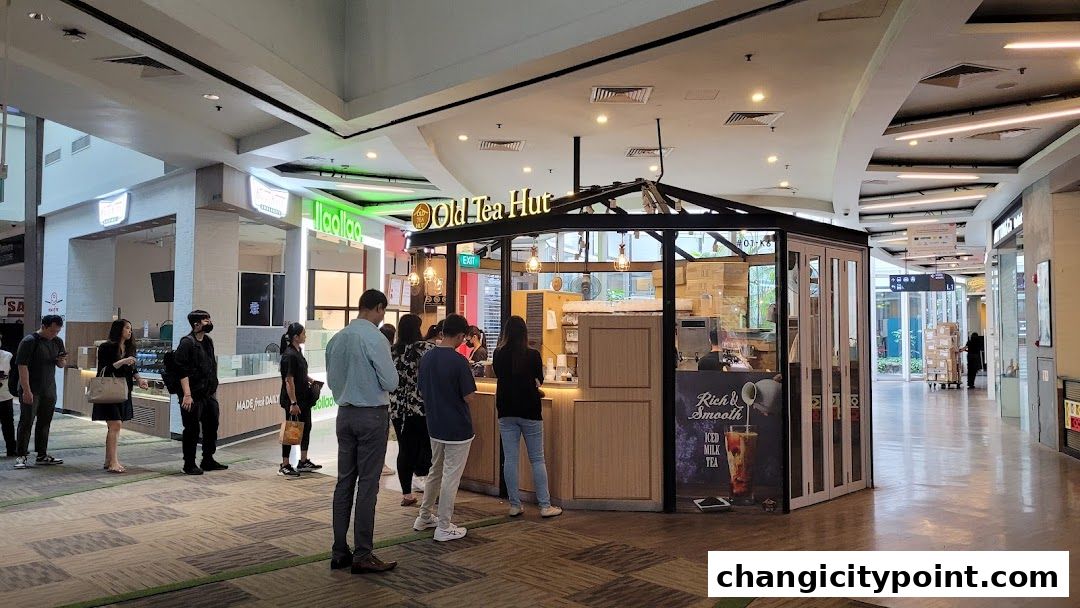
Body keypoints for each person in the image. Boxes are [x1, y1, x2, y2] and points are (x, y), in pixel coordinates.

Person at [326, 289, 399, 574]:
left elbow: (332, 383)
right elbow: (391, 381)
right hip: (371, 415)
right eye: (383, 311)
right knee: (368, 484)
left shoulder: (337, 339)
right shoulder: (374, 338)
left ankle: (339, 549)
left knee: (344, 482)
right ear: (378, 308)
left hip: (344, 415)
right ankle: (363, 553)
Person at [493, 316, 563, 518]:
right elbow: (539, 381)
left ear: (506, 332)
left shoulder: (498, 354)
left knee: (511, 460)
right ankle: (545, 505)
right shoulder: (533, 355)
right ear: (524, 333)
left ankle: (514, 505)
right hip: (530, 410)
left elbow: (499, 375)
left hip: (506, 410)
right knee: (537, 459)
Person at [415, 313, 476, 542]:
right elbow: (469, 396)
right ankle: (444, 525)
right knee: (451, 476)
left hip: (435, 424)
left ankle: (424, 516)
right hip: (457, 427)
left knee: (435, 471)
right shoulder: (459, 361)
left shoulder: (427, 358)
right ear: (460, 335)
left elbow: (421, 390)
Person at [390, 314, 435, 507]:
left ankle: (406, 493)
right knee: (428, 448)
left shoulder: (392, 351)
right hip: (422, 407)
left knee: (405, 450)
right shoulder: (426, 349)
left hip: (398, 408)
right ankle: (432, 491)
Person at [176, 310, 228, 476]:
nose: (209, 321)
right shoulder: (187, 342)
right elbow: (181, 370)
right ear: (196, 324)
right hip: (192, 395)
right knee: (191, 429)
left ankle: (208, 459)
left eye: (208, 318)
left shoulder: (208, 341)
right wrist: (187, 394)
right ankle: (189, 463)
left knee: (212, 426)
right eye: (205, 320)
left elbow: (212, 364)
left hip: (208, 394)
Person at [13, 315, 67, 470]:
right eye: (52, 331)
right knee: (26, 422)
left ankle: (41, 455)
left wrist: (61, 360)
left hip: (49, 389)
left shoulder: (57, 341)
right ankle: (21, 455)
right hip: (31, 389)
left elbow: (61, 365)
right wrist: (26, 390)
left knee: (44, 423)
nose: (54, 334)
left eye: (57, 331)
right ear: (43, 326)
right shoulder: (30, 341)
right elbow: (22, 367)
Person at [95, 320, 149, 473]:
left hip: (124, 389)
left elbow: (133, 368)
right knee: (115, 424)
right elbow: (105, 368)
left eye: (131, 328)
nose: (130, 331)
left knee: (114, 426)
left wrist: (139, 379)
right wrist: (123, 361)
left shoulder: (130, 347)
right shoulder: (107, 347)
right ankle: (113, 462)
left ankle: (108, 459)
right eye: (127, 328)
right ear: (118, 329)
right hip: (109, 389)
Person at [278, 322, 322, 477]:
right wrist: (293, 403)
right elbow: (288, 380)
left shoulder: (298, 351)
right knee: (291, 431)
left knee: (306, 427)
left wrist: (311, 381)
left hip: (304, 398)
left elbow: (300, 374)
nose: (305, 336)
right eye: (303, 333)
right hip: (294, 400)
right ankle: (285, 464)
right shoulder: (289, 355)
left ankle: (303, 461)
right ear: (296, 337)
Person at [0, 347, 13, 457]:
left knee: (8, 423)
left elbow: (13, 374)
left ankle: (11, 448)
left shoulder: (8, 355)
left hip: (5, 394)